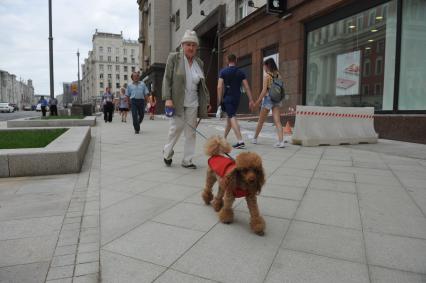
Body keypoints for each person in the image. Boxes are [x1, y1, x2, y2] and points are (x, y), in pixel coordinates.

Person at [162, 30, 211, 169]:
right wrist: (168, 99)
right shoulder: (174, 58)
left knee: (191, 133)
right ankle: (167, 152)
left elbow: (202, 85)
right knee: (175, 129)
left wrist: (206, 102)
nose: (191, 48)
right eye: (188, 44)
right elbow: (167, 79)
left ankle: (187, 160)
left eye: (193, 45)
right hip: (177, 101)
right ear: (182, 45)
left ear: (196, 47)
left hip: (193, 103)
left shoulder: (199, 63)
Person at [217, 54, 255, 149]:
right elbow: (246, 86)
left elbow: (219, 86)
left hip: (228, 98)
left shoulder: (223, 72)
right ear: (236, 60)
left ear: (227, 60)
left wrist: (220, 100)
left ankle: (240, 141)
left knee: (232, 117)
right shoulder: (240, 72)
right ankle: (224, 138)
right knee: (229, 118)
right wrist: (250, 99)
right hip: (237, 98)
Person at [252, 58, 285, 148]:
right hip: (277, 99)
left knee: (261, 121)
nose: (263, 67)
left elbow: (263, 91)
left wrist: (257, 102)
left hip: (268, 99)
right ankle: (281, 141)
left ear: (267, 66)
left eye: (264, 65)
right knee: (278, 121)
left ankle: (255, 138)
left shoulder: (267, 76)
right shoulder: (279, 75)